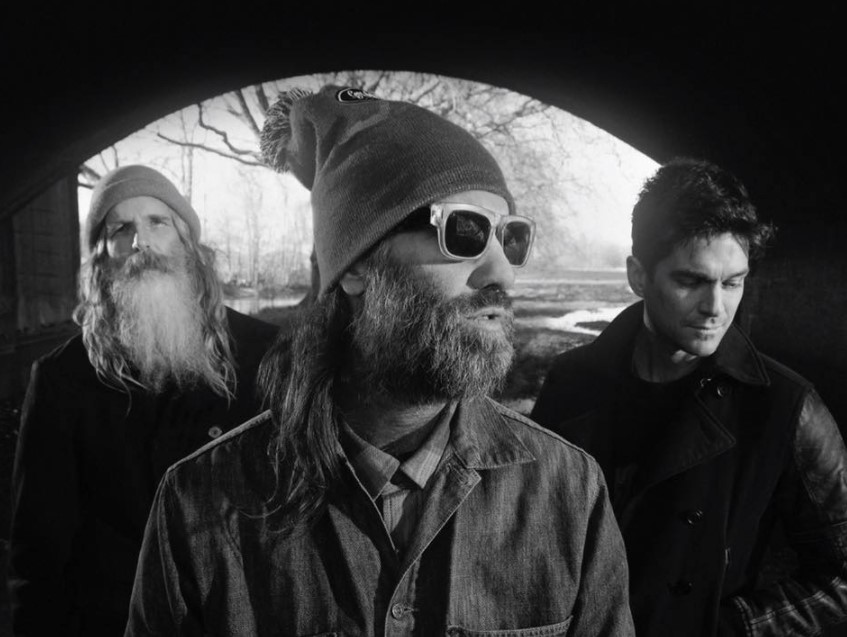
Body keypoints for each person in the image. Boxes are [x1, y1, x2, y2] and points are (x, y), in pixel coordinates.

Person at [125, 85, 634, 636]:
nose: (503, 275)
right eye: (464, 232)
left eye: (511, 239)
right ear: (357, 266)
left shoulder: (568, 492)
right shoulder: (201, 505)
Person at [531, 157, 847, 636]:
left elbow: (840, 577)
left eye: (733, 282)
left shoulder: (785, 406)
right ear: (639, 276)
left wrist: (728, 628)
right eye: (691, 281)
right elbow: (530, 537)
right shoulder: (573, 380)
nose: (715, 307)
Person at [8, 165, 279, 636]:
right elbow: (39, 553)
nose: (141, 243)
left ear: (188, 243)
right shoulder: (61, 378)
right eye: (121, 229)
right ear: (101, 256)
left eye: (158, 222)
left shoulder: (266, 354)